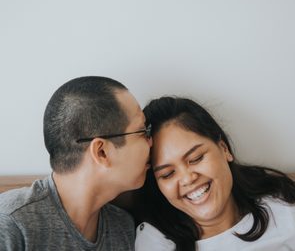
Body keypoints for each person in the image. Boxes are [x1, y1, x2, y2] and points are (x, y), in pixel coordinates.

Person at [0, 76, 152, 250]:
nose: (151, 142)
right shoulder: (11, 224)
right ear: (102, 152)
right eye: (142, 131)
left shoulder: (122, 229)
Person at [134, 96, 295, 251]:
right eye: (168, 174)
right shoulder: (155, 241)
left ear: (224, 149)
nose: (187, 179)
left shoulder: (282, 208)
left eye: (196, 158)